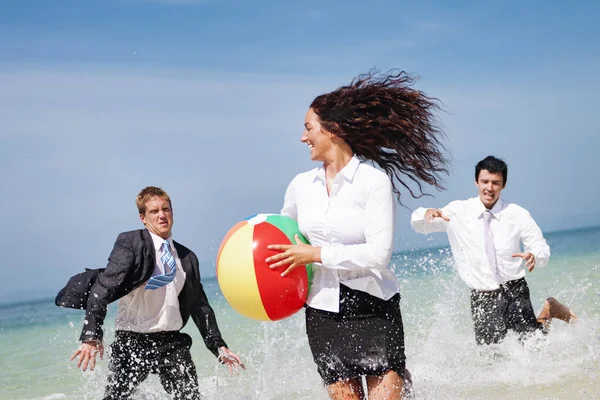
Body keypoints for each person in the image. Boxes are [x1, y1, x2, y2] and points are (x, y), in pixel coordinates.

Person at [266, 70, 449, 400]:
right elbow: (282, 238)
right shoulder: (299, 186)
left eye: (309, 128)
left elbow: (378, 254)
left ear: (332, 130)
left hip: (373, 306)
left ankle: (401, 380)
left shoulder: (373, 182)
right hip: (322, 313)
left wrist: (317, 254)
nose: (302, 137)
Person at [60, 186, 244, 400]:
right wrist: (91, 336)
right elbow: (102, 288)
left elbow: (199, 305)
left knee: (190, 397)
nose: (162, 215)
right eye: (154, 211)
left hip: (172, 342)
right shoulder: (131, 244)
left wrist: (218, 345)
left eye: (166, 209)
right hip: (132, 342)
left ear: (172, 213)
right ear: (143, 218)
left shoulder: (187, 258)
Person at [411, 155, 576, 346]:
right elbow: (420, 225)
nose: (489, 188)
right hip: (482, 295)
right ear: (476, 182)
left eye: (495, 183)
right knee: (490, 357)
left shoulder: (517, 214)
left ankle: (548, 311)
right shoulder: (457, 211)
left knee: (533, 347)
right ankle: (547, 312)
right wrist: (426, 213)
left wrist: (534, 255)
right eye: (485, 182)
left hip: (514, 288)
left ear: (503, 185)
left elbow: (540, 247)